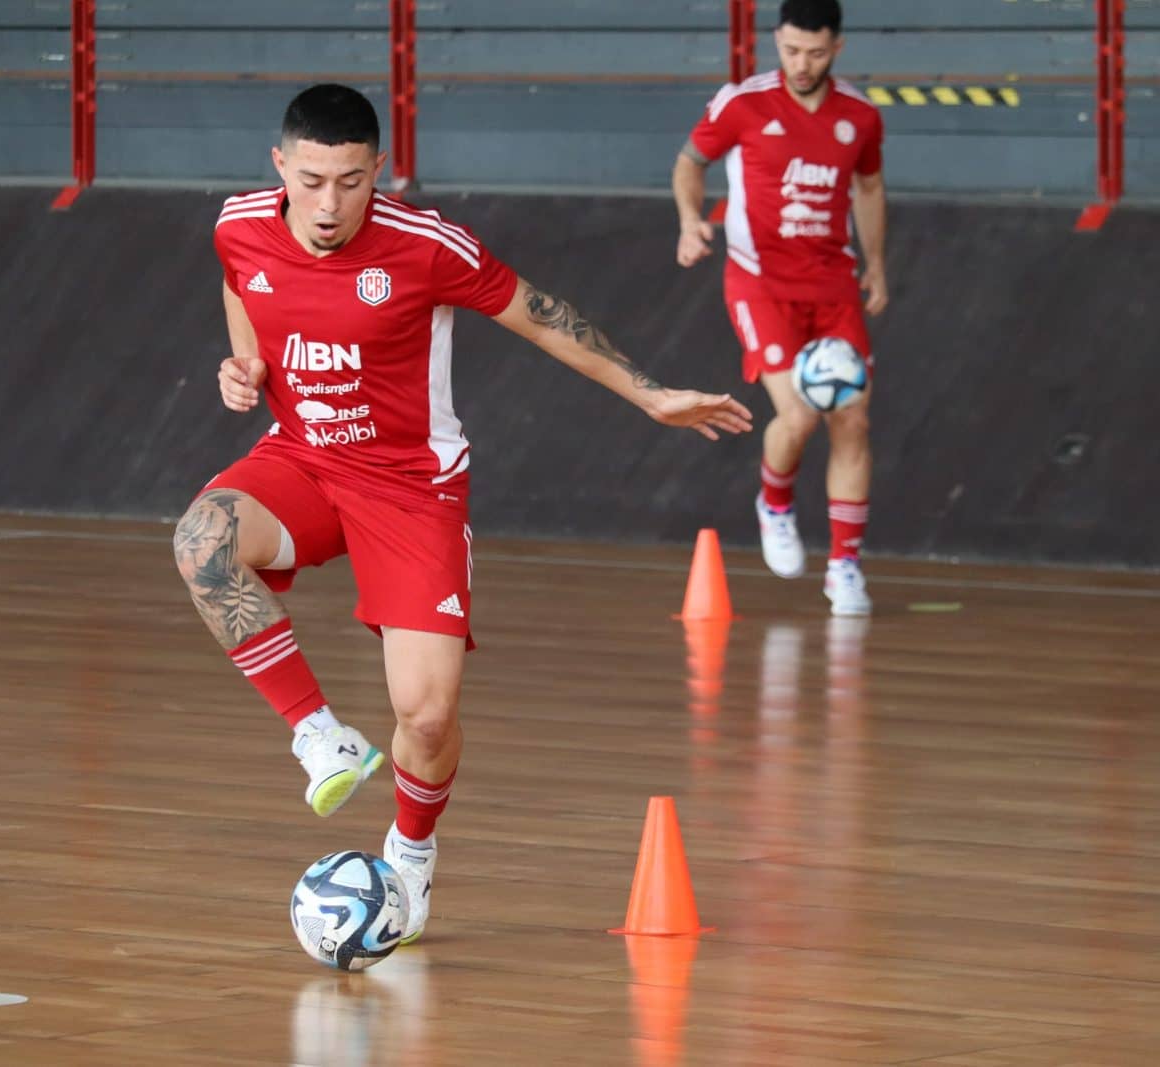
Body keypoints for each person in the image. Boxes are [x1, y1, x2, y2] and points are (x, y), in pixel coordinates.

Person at [172, 84, 752, 945]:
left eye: (351, 182)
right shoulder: (240, 224)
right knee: (201, 541)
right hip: (302, 459)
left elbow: (543, 317)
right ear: (279, 167)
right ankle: (321, 737)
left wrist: (651, 394)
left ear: (380, 170)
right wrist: (247, 363)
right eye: (311, 181)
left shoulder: (426, 245)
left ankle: (411, 850)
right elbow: (239, 283)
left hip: (411, 486)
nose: (328, 204)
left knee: (427, 716)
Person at [671, 0, 887, 616]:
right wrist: (689, 221)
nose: (801, 63)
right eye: (791, 50)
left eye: (815, 53)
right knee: (798, 415)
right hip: (759, 284)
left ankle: (844, 566)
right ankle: (775, 502)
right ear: (777, 42)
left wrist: (876, 265)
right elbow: (689, 162)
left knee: (853, 420)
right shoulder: (742, 103)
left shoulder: (860, 117)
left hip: (834, 288)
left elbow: (870, 187)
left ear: (836, 49)